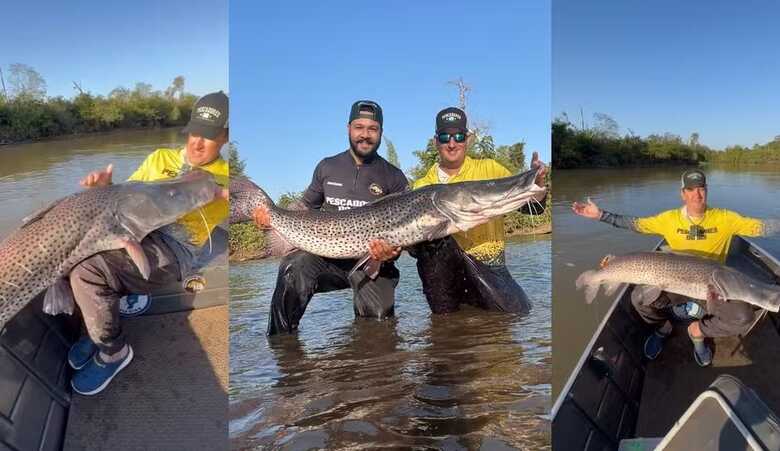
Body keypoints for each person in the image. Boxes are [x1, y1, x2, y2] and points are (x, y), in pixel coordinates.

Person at [68, 91, 229, 395]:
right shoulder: (159, 158)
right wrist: (105, 189)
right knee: (70, 255)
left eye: (208, 137)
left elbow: (255, 208)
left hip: (173, 247)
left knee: (87, 272)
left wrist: (233, 195)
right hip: (133, 229)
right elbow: (123, 196)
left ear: (225, 138)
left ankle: (113, 351)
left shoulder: (229, 178)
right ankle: (97, 326)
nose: (196, 143)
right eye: (194, 133)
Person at [571, 169, 775, 367]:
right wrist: (601, 215)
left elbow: (761, 227)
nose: (697, 194)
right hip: (672, 279)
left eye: (701, 188)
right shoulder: (668, 219)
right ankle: (664, 327)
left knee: (743, 317)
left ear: (707, 190)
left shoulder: (726, 218)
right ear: (682, 193)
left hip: (713, 285)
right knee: (638, 299)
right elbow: (636, 224)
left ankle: (697, 330)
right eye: (691, 189)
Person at [253, 100, 409, 336]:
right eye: (359, 127)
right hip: (327, 259)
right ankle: (280, 344)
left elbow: (405, 229)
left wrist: (393, 251)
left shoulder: (394, 176)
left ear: (380, 133)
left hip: (373, 262)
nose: (365, 135)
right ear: (348, 128)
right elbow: (303, 207)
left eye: (372, 129)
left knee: (379, 333)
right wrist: (270, 219)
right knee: (292, 268)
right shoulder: (327, 167)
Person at [410, 107, 548, 314]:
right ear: (435, 141)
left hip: (492, 266)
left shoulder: (490, 168)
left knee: (519, 314)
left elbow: (532, 209)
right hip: (445, 273)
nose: (452, 143)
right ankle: (445, 318)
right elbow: (414, 247)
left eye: (459, 136)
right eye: (445, 136)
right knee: (436, 241)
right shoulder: (422, 186)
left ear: (468, 139)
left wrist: (535, 187)